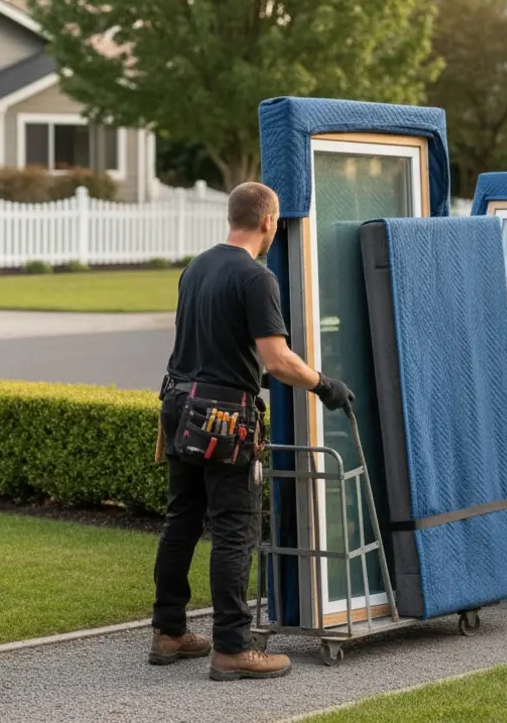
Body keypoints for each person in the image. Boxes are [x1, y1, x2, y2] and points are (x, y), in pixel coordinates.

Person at [150, 181, 354, 680]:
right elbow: (278, 359)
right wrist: (325, 385)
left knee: (181, 520)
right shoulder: (256, 277)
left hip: (178, 405)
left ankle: (169, 632)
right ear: (267, 221)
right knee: (235, 530)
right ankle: (234, 648)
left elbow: (213, 347)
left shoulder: (196, 266)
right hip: (223, 421)